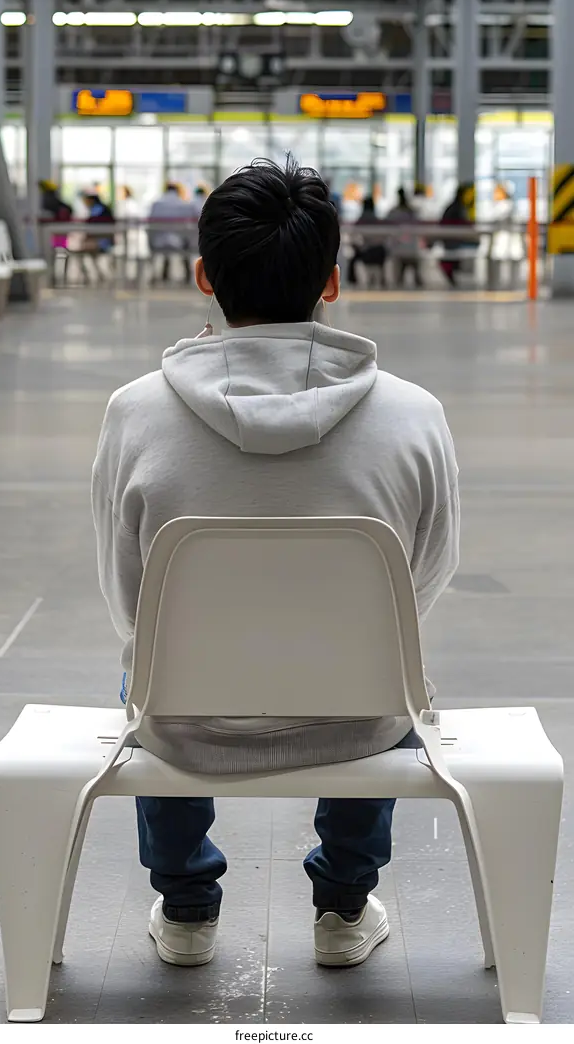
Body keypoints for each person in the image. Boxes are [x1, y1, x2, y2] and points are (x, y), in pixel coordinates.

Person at [92, 157, 459, 972]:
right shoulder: (415, 414)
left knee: (143, 670)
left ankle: (186, 908)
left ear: (203, 277)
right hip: (360, 717)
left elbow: (127, 589)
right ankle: (344, 906)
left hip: (185, 717)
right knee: (391, 671)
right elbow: (427, 573)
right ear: (331, 282)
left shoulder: (134, 412)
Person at [147, 182, 195, 284]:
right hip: (178, 242)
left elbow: (150, 222)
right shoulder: (184, 204)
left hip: (158, 242)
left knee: (165, 245)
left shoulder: (156, 204)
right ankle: (187, 275)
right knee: (186, 242)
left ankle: (163, 274)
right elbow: (191, 221)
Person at [439, 183, 476, 288]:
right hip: (453, 239)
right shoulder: (457, 207)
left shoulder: (456, 206)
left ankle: (455, 271)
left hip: (453, 239)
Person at [386, 187, 424, 289]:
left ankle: (400, 289)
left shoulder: (394, 212)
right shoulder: (412, 212)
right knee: (415, 274)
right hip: (410, 247)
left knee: (400, 276)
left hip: (400, 247)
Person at [347, 196, 387, 287]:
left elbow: (353, 238)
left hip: (366, 253)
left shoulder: (360, 221)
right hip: (379, 253)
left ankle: (352, 282)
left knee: (353, 259)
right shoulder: (377, 220)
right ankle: (383, 281)